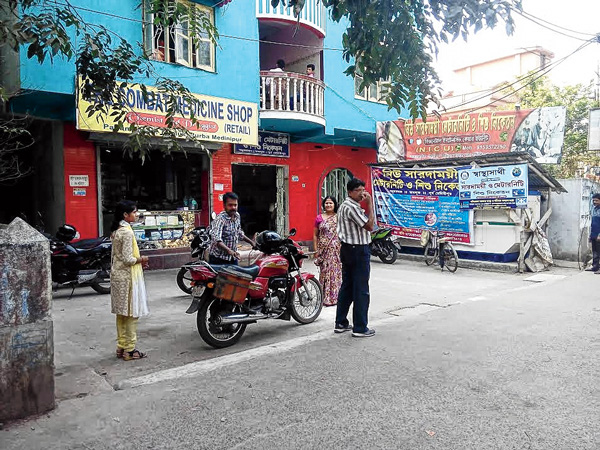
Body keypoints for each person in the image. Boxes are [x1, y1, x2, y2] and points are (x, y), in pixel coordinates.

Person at [335, 178, 376, 337]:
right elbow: (370, 226)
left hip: (348, 249)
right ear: (350, 191)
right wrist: (370, 205)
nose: (362, 194)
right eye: (359, 190)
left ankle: (341, 322)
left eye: (363, 190)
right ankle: (360, 327)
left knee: (348, 286)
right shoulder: (351, 207)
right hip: (357, 250)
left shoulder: (346, 206)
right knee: (361, 289)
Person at [110, 200, 149, 361]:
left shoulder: (117, 230)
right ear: (125, 215)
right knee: (132, 314)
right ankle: (130, 349)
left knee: (122, 313)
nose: (136, 214)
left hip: (118, 275)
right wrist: (142, 259)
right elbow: (128, 259)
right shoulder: (126, 232)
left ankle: (121, 346)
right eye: (134, 212)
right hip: (127, 277)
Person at [209, 192, 256, 265]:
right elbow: (216, 239)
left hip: (232, 257)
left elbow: (239, 233)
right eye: (230, 205)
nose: (233, 208)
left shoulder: (237, 216)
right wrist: (229, 251)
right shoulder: (220, 219)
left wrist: (251, 242)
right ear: (224, 205)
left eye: (235, 205)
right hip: (218, 259)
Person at [313, 196, 342, 307]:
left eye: (330, 203)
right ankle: (324, 296)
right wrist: (316, 250)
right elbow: (315, 235)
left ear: (334, 205)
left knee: (335, 272)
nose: (328, 205)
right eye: (326, 203)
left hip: (336, 249)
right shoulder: (319, 218)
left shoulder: (338, 217)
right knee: (324, 272)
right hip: (323, 249)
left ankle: (335, 297)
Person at [587, 193, 600, 272]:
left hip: (599, 235)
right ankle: (595, 267)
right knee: (595, 251)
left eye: (597, 200)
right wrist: (590, 235)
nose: (595, 202)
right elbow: (593, 223)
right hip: (594, 234)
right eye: (593, 200)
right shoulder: (594, 209)